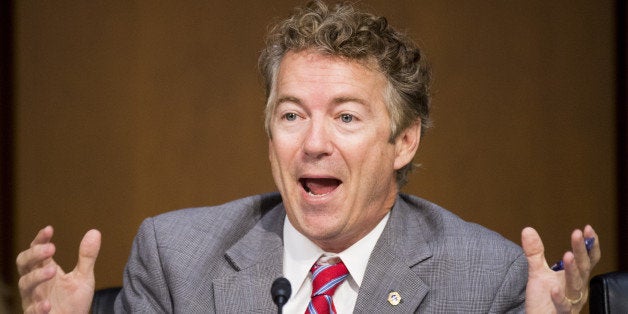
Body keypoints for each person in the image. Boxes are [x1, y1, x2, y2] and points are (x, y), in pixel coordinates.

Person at [16, 1, 600, 313]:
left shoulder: (483, 279)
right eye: (292, 114)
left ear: (404, 140)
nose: (313, 143)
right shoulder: (177, 259)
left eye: (346, 116)